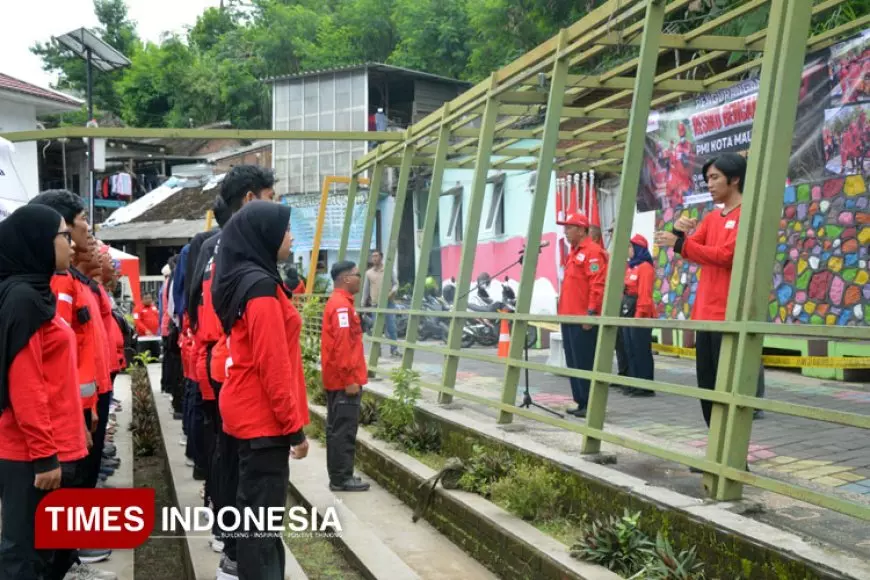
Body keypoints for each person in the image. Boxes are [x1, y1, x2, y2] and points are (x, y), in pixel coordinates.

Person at [211, 201, 309, 580]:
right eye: (286, 230)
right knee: (261, 528)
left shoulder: (247, 279)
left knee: (253, 517)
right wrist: (293, 429)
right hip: (263, 419)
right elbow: (273, 365)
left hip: (246, 411)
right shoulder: (261, 288)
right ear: (265, 236)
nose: (291, 237)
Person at [186, 164, 276, 574]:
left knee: (226, 454)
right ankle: (235, 549)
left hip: (216, 360)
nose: (275, 207)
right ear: (250, 200)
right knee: (239, 461)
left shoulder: (212, 246)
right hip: (230, 364)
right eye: (270, 199)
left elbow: (191, 303)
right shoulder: (237, 250)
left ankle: (228, 539)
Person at [0, 205, 90, 580]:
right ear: (38, 241)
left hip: (45, 444)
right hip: (27, 452)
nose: (72, 244)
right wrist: (44, 456)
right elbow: (26, 387)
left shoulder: (36, 293)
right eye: (63, 236)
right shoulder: (22, 300)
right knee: (23, 554)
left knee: (40, 551)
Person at [29, 190, 114, 566]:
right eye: (81, 221)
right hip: (74, 405)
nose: (88, 230)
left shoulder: (75, 280)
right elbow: (62, 356)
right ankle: (67, 557)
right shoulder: (58, 284)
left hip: (90, 396)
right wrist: (83, 407)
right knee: (71, 480)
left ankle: (71, 552)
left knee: (82, 476)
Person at [654, 153, 765, 432]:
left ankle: (730, 449)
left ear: (735, 179)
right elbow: (692, 248)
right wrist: (679, 232)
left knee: (728, 389)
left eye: (715, 177)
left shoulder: (747, 214)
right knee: (707, 386)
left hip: (729, 315)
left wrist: (681, 244)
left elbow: (726, 255)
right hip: (705, 315)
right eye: (707, 179)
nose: (709, 184)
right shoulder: (712, 218)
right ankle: (715, 443)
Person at [322, 261, 370, 492]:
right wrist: (350, 379)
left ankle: (339, 476)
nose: (360, 278)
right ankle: (341, 478)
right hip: (344, 382)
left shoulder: (340, 303)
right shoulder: (342, 306)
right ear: (346, 278)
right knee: (344, 431)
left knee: (337, 429)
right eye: (357, 274)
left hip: (337, 380)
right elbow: (342, 346)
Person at [556, 212, 608, 418]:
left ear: (581, 230)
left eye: (569, 228)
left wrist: (591, 312)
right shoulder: (573, 252)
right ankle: (581, 401)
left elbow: (597, 285)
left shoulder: (593, 252)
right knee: (573, 361)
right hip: (569, 316)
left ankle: (591, 403)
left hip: (582, 318)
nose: (565, 231)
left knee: (585, 361)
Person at [619, 234, 656, 397]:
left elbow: (645, 294)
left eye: (630, 247)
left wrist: (639, 315)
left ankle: (645, 385)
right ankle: (633, 382)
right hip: (628, 309)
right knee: (629, 348)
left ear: (638, 248)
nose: (628, 250)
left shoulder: (645, 267)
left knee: (640, 349)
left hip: (640, 312)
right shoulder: (631, 267)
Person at [363, 249, 400, 357]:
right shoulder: (369, 273)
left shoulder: (388, 270)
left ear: (381, 257)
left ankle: (394, 349)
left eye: (376, 256)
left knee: (391, 327)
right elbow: (366, 290)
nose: (374, 258)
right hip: (375, 304)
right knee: (376, 328)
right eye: (373, 256)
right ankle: (377, 350)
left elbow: (396, 283)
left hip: (388, 303)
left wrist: (392, 291)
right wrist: (363, 303)